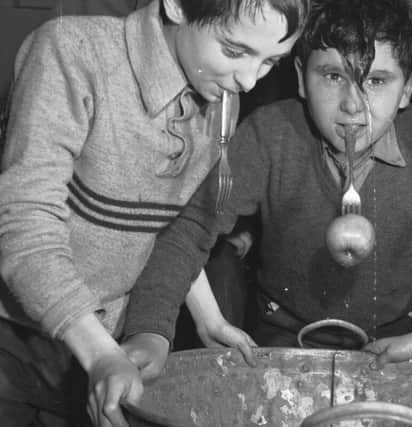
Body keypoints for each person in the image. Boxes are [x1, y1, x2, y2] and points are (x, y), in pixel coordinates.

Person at [115, 0, 412, 415]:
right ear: (300, 77)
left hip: (396, 349)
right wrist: (150, 330)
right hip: (276, 341)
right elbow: (189, 230)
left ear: (408, 88)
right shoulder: (268, 136)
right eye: (333, 76)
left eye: (376, 81)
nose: (352, 106)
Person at [0, 0, 309, 425]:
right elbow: (23, 227)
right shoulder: (72, 52)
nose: (249, 81)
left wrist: (208, 317)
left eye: (271, 60)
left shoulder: (220, 98)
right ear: (177, 6)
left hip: (98, 345)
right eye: (234, 51)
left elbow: (164, 225)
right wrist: (101, 354)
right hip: (15, 341)